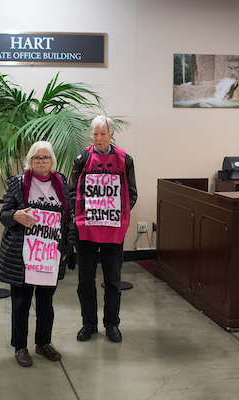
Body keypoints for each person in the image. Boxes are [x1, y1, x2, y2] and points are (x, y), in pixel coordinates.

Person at [0, 141, 75, 367]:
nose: (42, 162)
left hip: (49, 256)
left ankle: (43, 343)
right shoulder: (18, 185)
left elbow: (68, 220)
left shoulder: (61, 184)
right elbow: (4, 215)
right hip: (22, 257)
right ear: (29, 161)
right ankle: (20, 347)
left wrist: (67, 249)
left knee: (45, 303)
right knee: (20, 304)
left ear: (52, 161)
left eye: (46, 158)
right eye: (37, 158)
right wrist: (15, 216)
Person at [69, 115, 137, 343]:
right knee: (85, 280)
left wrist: (118, 216)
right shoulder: (82, 159)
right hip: (86, 231)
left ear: (111, 135)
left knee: (113, 281)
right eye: (95, 133)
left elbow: (131, 193)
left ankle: (112, 325)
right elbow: (72, 191)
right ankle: (88, 324)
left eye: (103, 134)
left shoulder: (125, 160)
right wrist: (79, 219)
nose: (98, 138)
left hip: (113, 231)